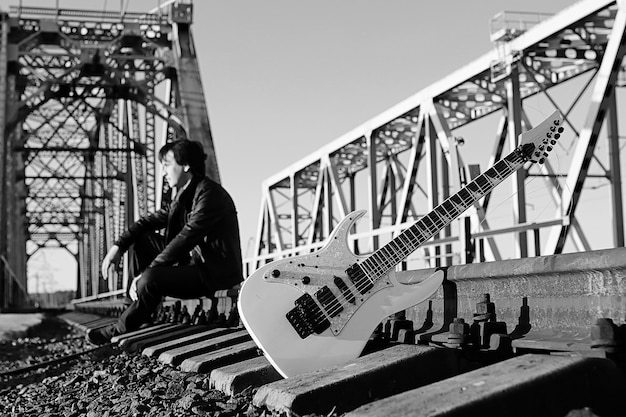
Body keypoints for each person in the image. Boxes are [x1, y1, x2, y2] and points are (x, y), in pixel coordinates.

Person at [86, 139, 243, 345]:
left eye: (167, 165)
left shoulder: (209, 195)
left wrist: (144, 274)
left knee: (151, 278)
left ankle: (120, 328)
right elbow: (144, 223)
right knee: (141, 241)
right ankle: (132, 307)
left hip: (215, 273)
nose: (163, 172)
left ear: (186, 165)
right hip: (198, 264)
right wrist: (118, 247)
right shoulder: (184, 198)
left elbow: (185, 238)